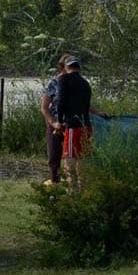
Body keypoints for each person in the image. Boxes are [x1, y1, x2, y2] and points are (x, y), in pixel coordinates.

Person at [50, 56, 94, 190]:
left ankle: (72, 190)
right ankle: (83, 189)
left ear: (66, 67)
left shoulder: (64, 79)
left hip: (73, 126)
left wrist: (59, 121)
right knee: (83, 159)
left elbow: (61, 102)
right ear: (79, 68)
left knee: (69, 158)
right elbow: (86, 106)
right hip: (87, 126)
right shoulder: (86, 83)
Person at [40, 56, 68, 185]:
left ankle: (71, 181)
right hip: (55, 122)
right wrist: (53, 122)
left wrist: (98, 112)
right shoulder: (54, 83)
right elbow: (44, 107)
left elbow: (85, 103)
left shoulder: (78, 82)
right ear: (62, 67)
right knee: (54, 154)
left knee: (72, 155)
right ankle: (54, 181)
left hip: (72, 123)